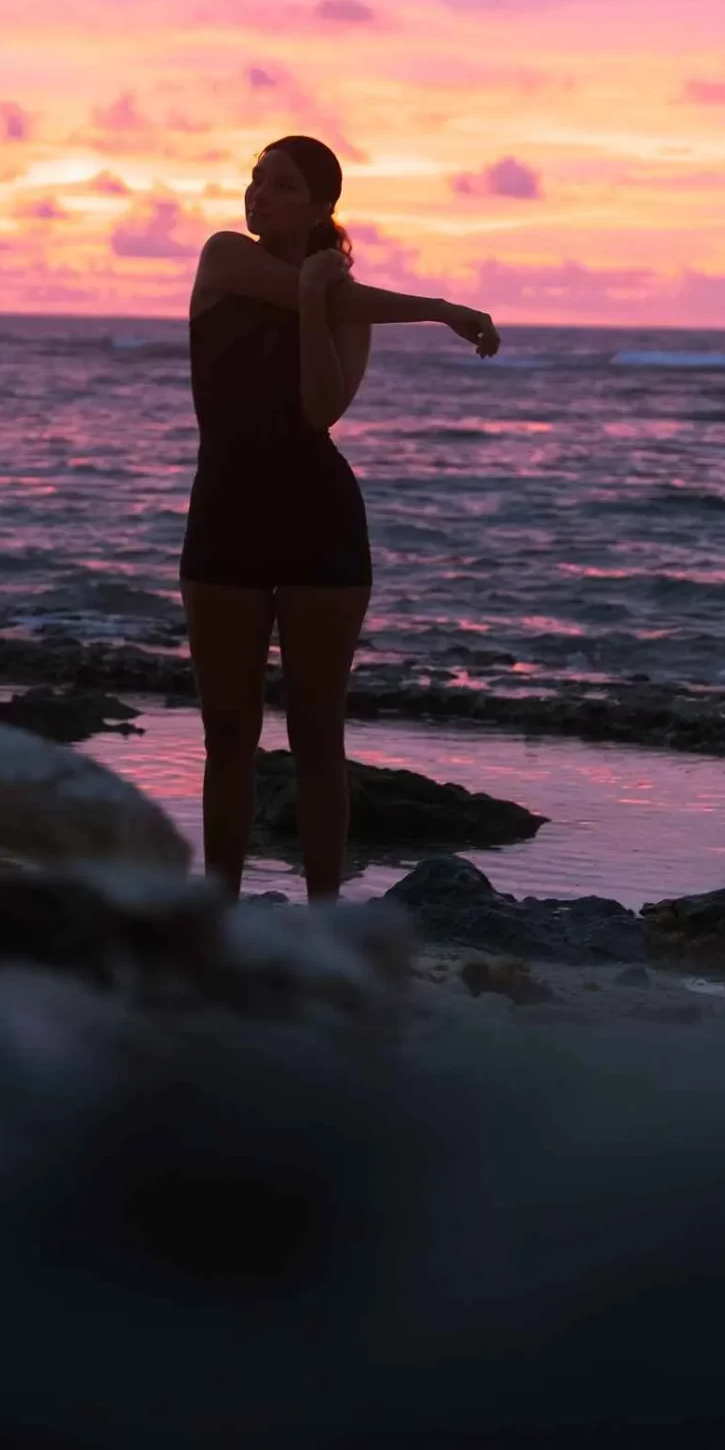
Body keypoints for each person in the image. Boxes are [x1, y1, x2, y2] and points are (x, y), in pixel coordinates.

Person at [180, 136, 499, 902]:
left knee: (318, 735)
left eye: (282, 185)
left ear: (322, 205)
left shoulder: (347, 308)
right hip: (225, 513)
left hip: (318, 517)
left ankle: (325, 915)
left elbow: (321, 409)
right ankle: (216, 911)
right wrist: (439, 310)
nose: (258, 195)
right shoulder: (223, 257)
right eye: (255, 179)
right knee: (228, 733)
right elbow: (314, 295)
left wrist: (326, 300)